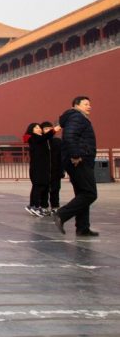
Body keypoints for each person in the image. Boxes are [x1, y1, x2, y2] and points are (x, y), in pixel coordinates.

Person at [54, 96, 99, 237]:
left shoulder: (74, 117)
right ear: (76, 105)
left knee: (82, 193)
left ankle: (82, 227)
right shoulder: (77, 117)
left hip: (78, 159)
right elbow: (70, 136)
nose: (89, 106)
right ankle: (61, 214)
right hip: (79, 160)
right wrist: (75, 155)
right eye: (86, 104)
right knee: (89, 193)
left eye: (89, 104)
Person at [23, 123, 58, 217]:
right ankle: (34, 206)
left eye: (39, 127)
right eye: (36, 127)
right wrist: (54, 130)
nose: (39, 129)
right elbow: (44, 137)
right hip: (37, 168)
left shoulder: (42, 139)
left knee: (42, 187)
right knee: (38, 187)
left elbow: (45, 138)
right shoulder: (33, 138)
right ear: (32, 130)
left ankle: (38, 206)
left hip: (44, 168)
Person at [41, 121, 64, 214]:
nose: (48, 130)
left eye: (50, 129)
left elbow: (62, 157)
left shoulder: (58, 142)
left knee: (55, 189)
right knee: (44, 189)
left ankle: (55, 206)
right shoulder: (41, 142)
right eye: (45, 129)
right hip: (44, 171)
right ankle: (44, 206)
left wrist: (62, 170)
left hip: (55, 170)